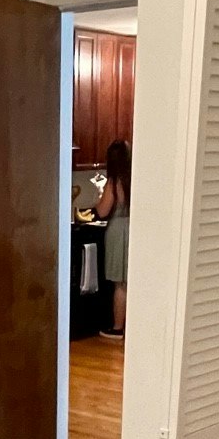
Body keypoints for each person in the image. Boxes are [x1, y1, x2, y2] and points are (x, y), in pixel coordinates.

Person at [95, 138, 132, 336]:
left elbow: (102, 210)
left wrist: (97, 202)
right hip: (133, 228)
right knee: (131, 280)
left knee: (120, 283)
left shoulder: (114, 181)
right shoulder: (136, 178)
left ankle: (117, 327)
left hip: (118, 231)